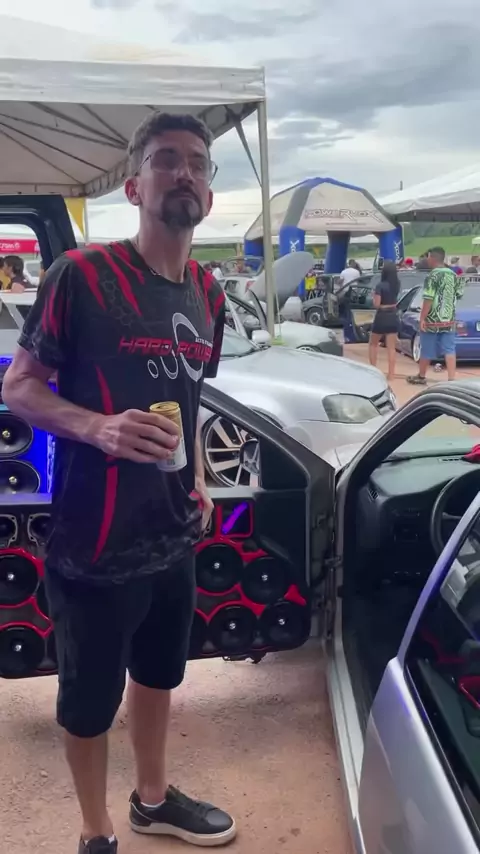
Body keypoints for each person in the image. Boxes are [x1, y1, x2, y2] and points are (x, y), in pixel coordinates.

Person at [2, 111, 236, 854]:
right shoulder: (82, 277)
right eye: (166, 159)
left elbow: (190, 398)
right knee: (88, 700)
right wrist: (97, 427)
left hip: (172, 532)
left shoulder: (209, 293)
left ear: (209, 193)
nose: (184, 172)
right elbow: (18, 386)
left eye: (197, 162)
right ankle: (95, 831)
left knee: (160, 675)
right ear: (134, 187)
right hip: (93, 541)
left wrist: (200, 476)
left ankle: (152, 800)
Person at [407, 246, 463, 385]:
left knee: (426, 349)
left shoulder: (432, 276)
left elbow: (428, 298)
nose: (427, 259)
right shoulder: (454, 275)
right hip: (449, 319)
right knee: (449, 349)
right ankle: (451, 379)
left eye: (428, 257)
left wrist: (422, 318)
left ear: (432, 258)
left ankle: (421, 376)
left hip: (432, 319)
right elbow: (459, 294)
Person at [368, 260, 400, 381]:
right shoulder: (397, 284)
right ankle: (391, 374)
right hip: (393, 315)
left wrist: (373, 297)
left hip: (382, 316)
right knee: (391, 348)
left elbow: (377, 304)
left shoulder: (380, 286)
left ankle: (373, 371)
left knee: (373, 344)